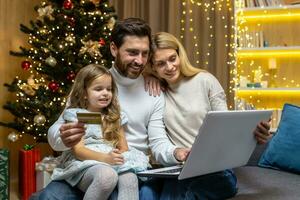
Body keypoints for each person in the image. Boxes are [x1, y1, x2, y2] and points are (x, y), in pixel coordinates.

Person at [38, 18, 188, 200]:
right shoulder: (92, 83)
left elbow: (158, 142)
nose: (140, 61)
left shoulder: (153, 92)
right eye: (132, 52)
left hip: (129, 167)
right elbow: (57, 130)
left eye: (145, 54)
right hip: (86, 166)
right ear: (114, 49)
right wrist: (63, 137)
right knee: (50, 197)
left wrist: (175, 152)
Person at [143, 31, 272, 199]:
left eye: (172, 58)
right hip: (179, 168)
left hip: (215, 169)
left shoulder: (205, 80)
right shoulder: (156, 92)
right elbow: (159, 142)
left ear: (180, 54)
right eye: (160, 64)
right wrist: (146, 76)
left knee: (186, 193)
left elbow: (226, 127)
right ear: (153, 67)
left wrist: (253, 136)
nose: (169, 67)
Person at [50, 64, 149, 200]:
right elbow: (78, 151)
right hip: (86, 163)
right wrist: (106, 159)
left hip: (111, 159)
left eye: (109, 89)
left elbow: (123, 147)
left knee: (130, 177)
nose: (105, 93)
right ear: (84, 93)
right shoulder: (78, 115)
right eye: (98, 89)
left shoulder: (114, 116)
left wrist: (116, 156)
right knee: (106, 176)